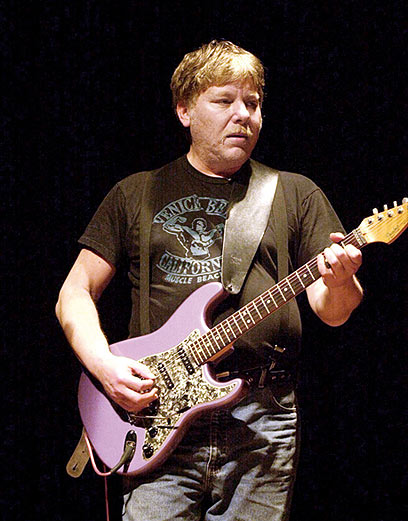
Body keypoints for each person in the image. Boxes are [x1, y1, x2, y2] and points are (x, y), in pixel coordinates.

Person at [56, 40, 363, 521]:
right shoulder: (136, 193)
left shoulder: (294, 193)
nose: (243, 115)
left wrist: (342, 280)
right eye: (224, 100)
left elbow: (333, 311)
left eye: (253, 103)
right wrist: (104, 367)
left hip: (263, 419)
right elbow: (74, 292)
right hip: (153, 413)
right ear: (184, 110)